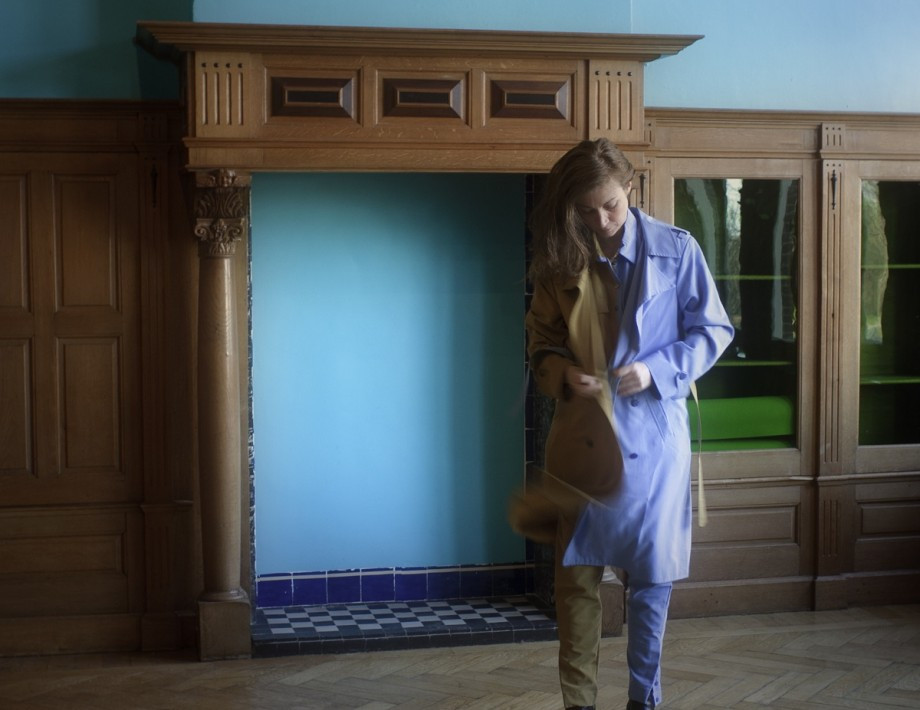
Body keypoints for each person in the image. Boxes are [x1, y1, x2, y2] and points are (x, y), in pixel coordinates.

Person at [518, 138, 734, 710]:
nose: (600, 221)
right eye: (585, 210)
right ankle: (579, 704)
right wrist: (566, 375)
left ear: (631, 188)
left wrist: (657, 369)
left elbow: (714, 331)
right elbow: (540, 343)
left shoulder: (677, 250)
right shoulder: (560, 258)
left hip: (655, 441)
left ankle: (644, 699)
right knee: (575, 584)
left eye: (610, 205)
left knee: (651, 582)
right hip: (582, 440)